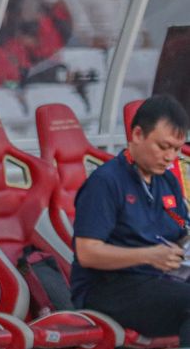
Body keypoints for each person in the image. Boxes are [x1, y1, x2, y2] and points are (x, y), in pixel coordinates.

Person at [71, 94, 190, 345]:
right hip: (110, 288)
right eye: (163, 146)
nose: (170, 157)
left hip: (159, 281)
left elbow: (181, 232)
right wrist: (149, 255)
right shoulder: (106, 182)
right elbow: (87, 253)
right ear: (137, 135)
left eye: (177, 150)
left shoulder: (166, 181)